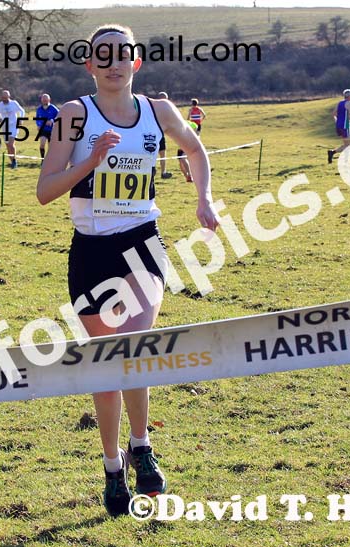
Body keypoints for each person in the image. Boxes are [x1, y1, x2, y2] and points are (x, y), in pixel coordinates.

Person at [36, 24, 220, 518]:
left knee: (134, 347)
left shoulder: (159, 112)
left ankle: (142, 446)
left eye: (122, 54)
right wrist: (91, 161)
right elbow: (45, 190)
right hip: (91, 252)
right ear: (90, 65)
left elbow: (195, 148)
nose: (113, 63)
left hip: (142, 243)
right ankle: (112, 466)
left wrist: (203, 198)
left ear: (136, 61)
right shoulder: (74, 116)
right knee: (107, 363)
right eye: (103, 55)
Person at [0, 90, 26, 168]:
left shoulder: (14, 103)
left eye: (6, 97)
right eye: (3, 97)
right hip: (5, 126)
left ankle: (14, 161)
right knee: (8, 146)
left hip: (13, 125)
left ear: (9, 96)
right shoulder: (0, 105)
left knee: (11, 144)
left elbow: (22, 111)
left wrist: (21, 120)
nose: (4, 99)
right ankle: (13, 162)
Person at [328, 89, 350, 164]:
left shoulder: (340, 103)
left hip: (339, 125)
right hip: (345, 125)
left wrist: (337, 121)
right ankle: (341, 158)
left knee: (347, 145)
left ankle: (333, 153)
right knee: (348, 145)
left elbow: (333, 114)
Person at [35, 93, 59, 162]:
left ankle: (50, 160)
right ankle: (42, 159)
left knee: (50, 146)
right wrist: (39, 125)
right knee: (42, 144)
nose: (44, 101)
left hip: (52, 129)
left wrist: (52, 121)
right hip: (43, 129)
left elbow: (59, 115)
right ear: (41, 100)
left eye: (46, 100)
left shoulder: (53, 108)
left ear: (49, 100)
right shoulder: (39, 109)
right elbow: (37, 119)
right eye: (43, 100)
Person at [156, 92, 172, 179]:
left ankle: (163, 172)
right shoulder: (155, 108)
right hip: (153, 135)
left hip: (160, 135)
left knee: (163, 155)